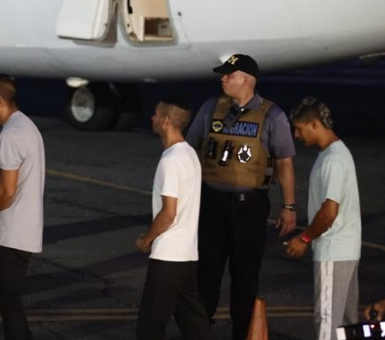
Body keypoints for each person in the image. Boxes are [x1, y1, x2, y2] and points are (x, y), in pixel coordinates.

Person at [185, 54, 297, 340]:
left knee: (245, 278)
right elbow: (190, 149)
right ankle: (198, 333)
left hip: (250, 208)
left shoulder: (273, 116)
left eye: (229, 75)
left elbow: (284, 163)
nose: (222, 79)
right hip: (212, 204)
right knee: (206, 275)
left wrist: (289, 206)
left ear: (246, 80)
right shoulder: (211, 108)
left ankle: (242, 334)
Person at [0, 75, 45, 340]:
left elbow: (7, 190)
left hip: (15, 231)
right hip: (26, 229)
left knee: (6, 297)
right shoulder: (26, 126)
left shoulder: (11, 136)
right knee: (7, 295)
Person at [285, 97, 361, 340]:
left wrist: (304, 237)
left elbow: (329, 212)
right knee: (348, 325)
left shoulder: (333, 160)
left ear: (315, 124)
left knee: (328, 322)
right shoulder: (335, 153)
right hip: (347, 251)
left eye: (299, 128)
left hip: (333, 251)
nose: (296, 135)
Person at [136, 97, 210, 340]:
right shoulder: (190, 154)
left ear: (166, 121)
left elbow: (168, 213)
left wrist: (147, 239)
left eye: (156, 114)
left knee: (150, 325)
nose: (152, 118)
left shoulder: (170, 161)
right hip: (187, 255)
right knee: (193, 323)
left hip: (168, 256)